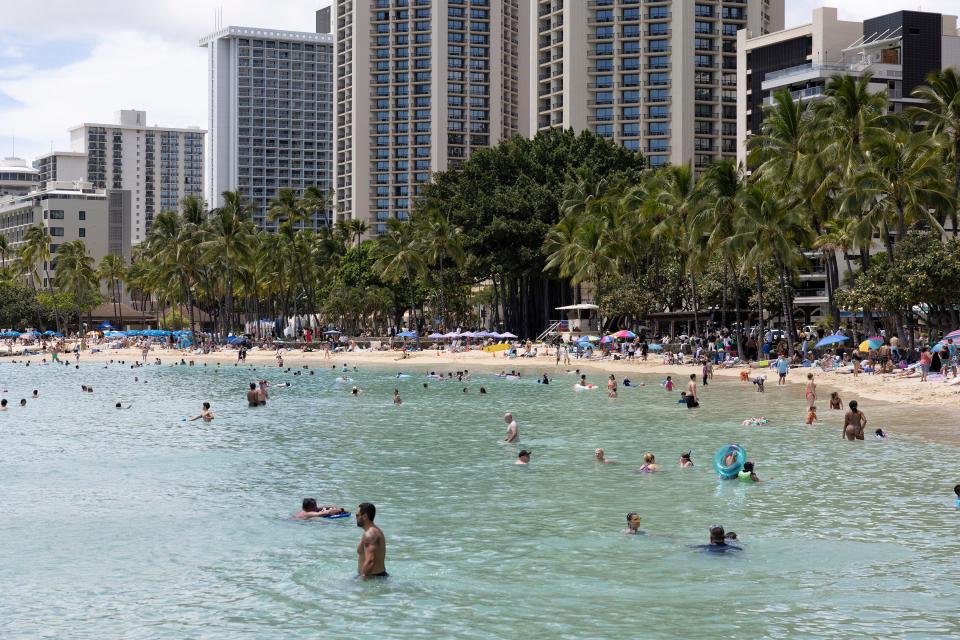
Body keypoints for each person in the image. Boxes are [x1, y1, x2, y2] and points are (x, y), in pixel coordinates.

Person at [356, 502, 387, 578]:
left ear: (365, 516)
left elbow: (370, 561)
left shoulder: (370, 534)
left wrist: (361, 579)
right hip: (375, 577)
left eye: (357, 515)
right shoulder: (374, 531)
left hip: (373, 579)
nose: (356, 518)